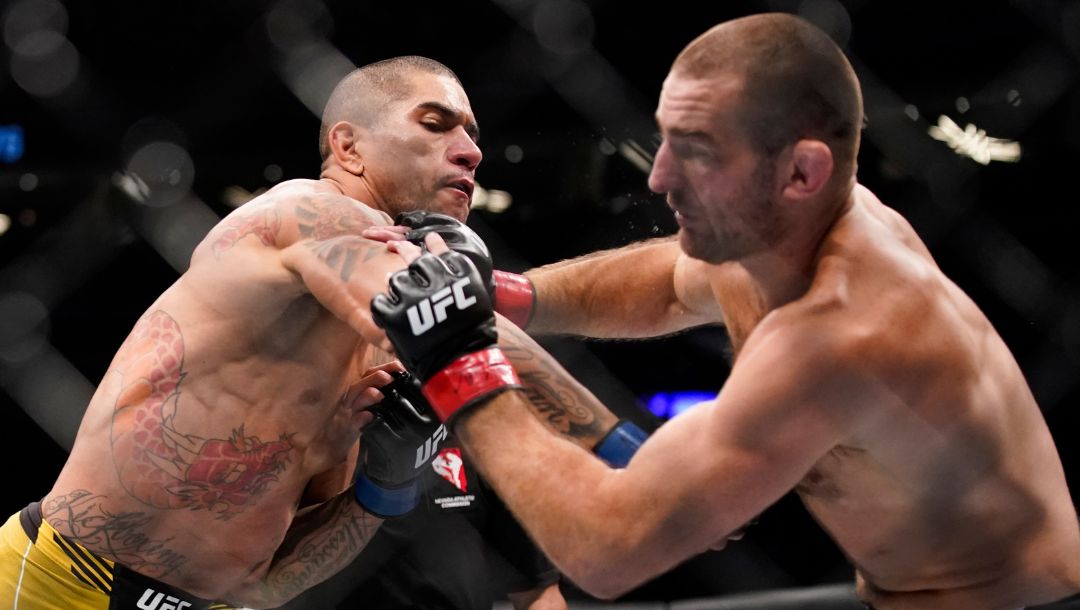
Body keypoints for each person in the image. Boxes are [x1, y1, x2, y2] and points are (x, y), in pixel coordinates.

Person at [367, 14, 1080, 610]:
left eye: (698, 152)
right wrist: (509, 296)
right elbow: (674, 280)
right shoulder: (783, 232)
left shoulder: (844, 333)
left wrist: (455, 359)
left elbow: (608, 549)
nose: (659, 176)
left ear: (803, 171)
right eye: (667, 138)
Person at [0, 54, 642, 610]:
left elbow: (274, 583)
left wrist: (383, 488)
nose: (472, 150)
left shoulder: (383, 353)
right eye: (435, 123)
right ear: (349, 145)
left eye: (473, 134)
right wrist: (626, 453)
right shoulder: (304, 211)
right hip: (62, 581)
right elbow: (455, 318)